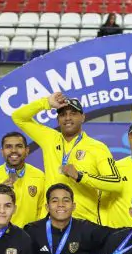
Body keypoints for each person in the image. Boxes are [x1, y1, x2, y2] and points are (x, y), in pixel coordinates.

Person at [11, 93, 119, 225]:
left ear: (83, 117)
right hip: (51, 222)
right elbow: (18, 117)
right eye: (62, 114)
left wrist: (81, 177)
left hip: (83, 223)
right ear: (57, 120)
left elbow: (116, 183)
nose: (67, 118)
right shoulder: (50, 138)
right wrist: (46, 103)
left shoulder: (98, 147)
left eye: (73, 113)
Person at [0, 132, 45, 229]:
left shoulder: (39, 176)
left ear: (27, 150)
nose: (14, 150)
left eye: (19, 146)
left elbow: (42, 211)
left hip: (29, 238)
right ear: (2, 152)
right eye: (8, 147)